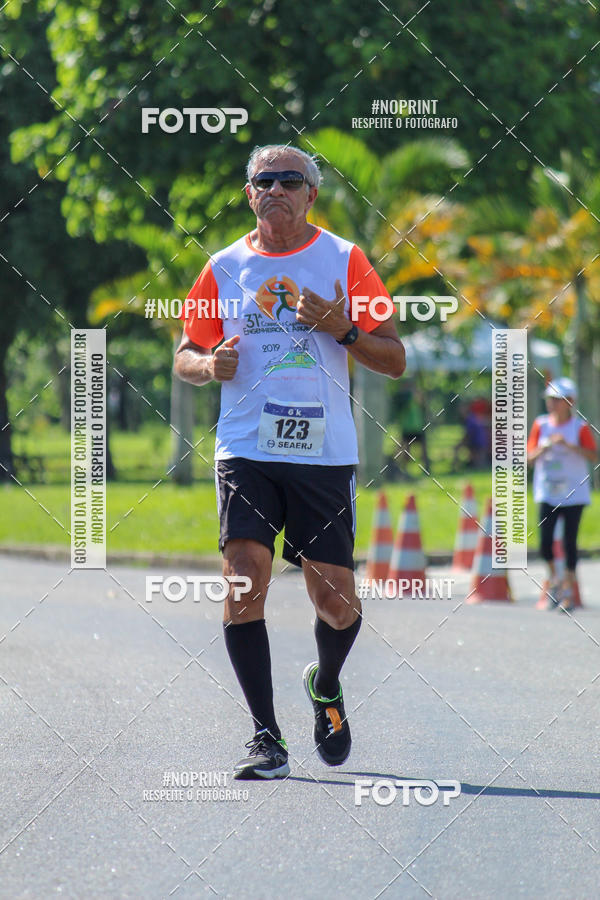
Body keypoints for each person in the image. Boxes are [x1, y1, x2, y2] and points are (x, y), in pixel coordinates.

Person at [174, 144, 405, 778]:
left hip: (322, 454)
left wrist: (344, 329)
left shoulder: (345, 261)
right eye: (263, 180)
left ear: (311, 195)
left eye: (289, 180)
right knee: (244, 577)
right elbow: (185, 355)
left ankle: (325, 686)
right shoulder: (222, 267)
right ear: (249, 193)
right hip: (246, 448)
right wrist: (207, 364)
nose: (276, 188)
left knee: (335, 601)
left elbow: (395, 355)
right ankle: (265, 736)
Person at [527, 377, 597, 611]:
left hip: (574, 493)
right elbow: (528, 457)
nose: (552, 404)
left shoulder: (580, 427)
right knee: (545, 542)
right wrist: (543, 448)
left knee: (570, 542)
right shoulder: (541, 424)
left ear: (570, 402)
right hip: (547, 491)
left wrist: (569, 445)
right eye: (550, 399)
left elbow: (593, 456)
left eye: (557, 400)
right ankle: (555, 580)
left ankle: (568, 590)